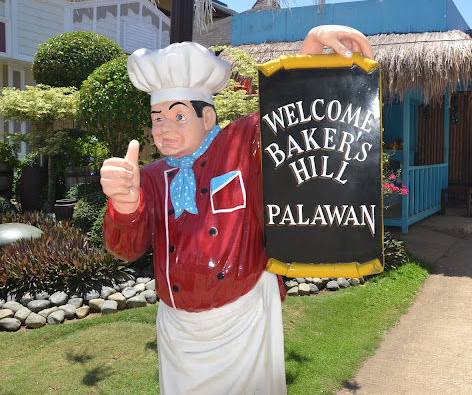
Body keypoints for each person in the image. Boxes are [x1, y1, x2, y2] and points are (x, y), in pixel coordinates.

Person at [100, 25, 374, 394]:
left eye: (178, 117)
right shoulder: (150, 178)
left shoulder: (242, 144)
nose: (164, 129)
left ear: (207, 119)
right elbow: (126, 249)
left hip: (243, 318)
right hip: (179, 331)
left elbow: (289, 113)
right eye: (157, 119)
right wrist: (124, 205)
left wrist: (309, 55)